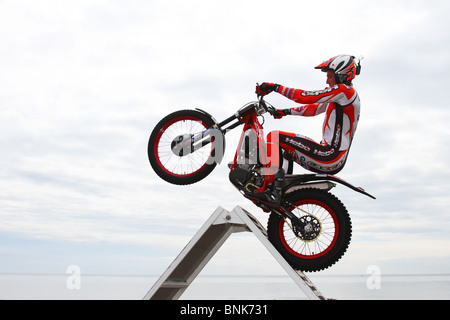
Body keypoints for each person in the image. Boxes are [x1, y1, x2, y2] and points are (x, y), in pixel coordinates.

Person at [256, 55, 362, 203]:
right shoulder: (342, 96)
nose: (327, 81)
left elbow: (305, 97)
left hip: (329, 155)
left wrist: (274, 87)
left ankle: (271, 189)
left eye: (330, 76)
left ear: (342, 75)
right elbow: (313, 109)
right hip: (333, 158)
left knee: (273, 137)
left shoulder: (345, 91)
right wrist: (285, 112)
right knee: (285, 150)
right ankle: (280, 192)